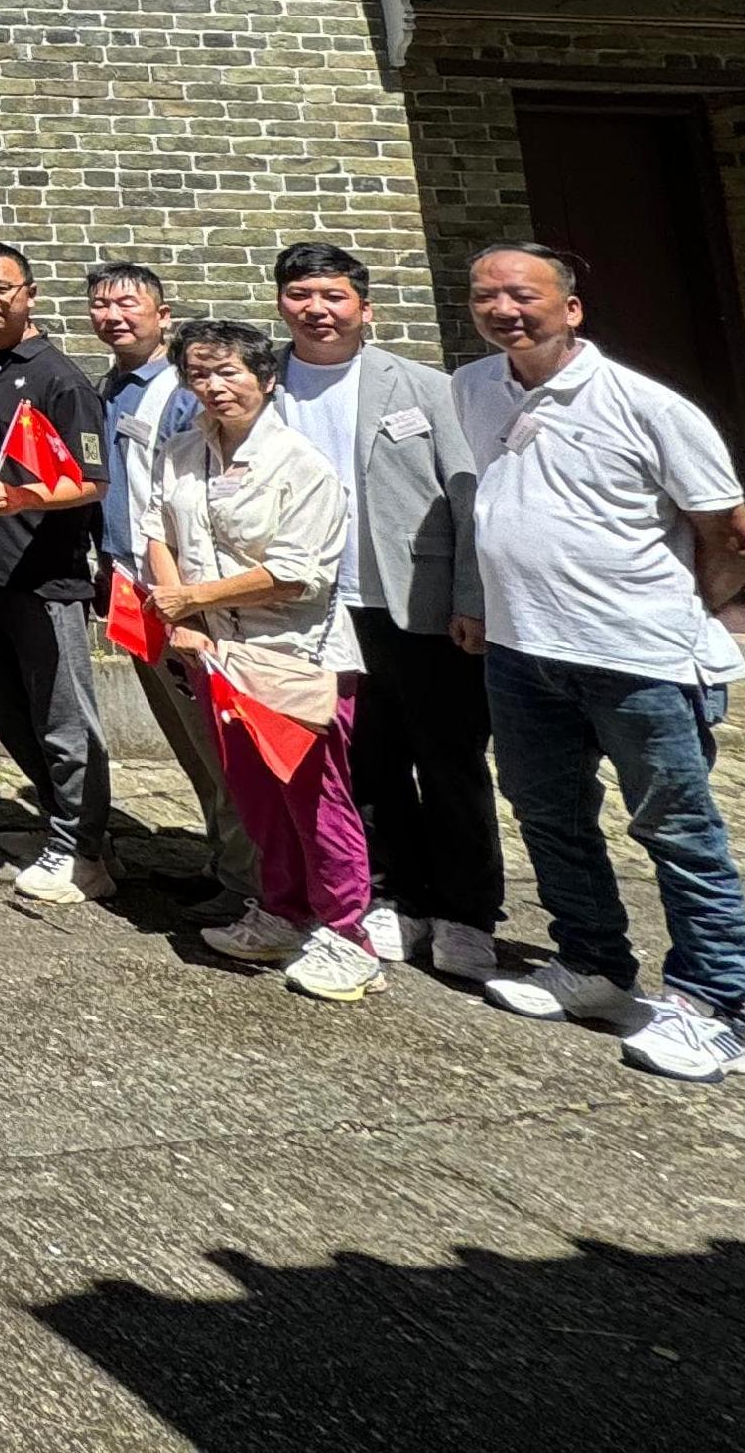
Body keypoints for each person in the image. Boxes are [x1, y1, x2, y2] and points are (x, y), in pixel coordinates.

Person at [458, 243, 745, 1085]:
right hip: (523, 652)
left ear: (571, 309)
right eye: (485, 297)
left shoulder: (647, 405)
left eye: (522, 295)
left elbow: (732, 536)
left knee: (678, 831)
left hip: (640, 660)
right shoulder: (473, 388)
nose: (502, 311)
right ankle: (591, 966)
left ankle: (715, 1008)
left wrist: (680, 615)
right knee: (547, 813)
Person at [269, 240, 495, 983]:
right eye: (302, 295)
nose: (317, 309)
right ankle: (398, 894)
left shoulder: (424, 386)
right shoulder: (266, 384)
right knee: (367, 763)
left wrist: (471, 598)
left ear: (364, 307)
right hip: (318, 609)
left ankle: (468, 911)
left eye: (333, 296)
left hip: (417, 606)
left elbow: (466, 499)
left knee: (450, 759)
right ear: (282, 304)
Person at [146, 316, 378, 1004]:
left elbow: (294, 572)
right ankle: (281, 912)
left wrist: (188, 599)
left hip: (290, 654)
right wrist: (180, 614)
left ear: (266, 379)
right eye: (199, 375)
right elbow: (159, 527)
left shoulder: (301, 464)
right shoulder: (183, 450)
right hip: (214, 650)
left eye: (228, 373)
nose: (214, 387)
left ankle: (348, 934)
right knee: (254, 794)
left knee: (315, 799)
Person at [0, 241, 115, 906]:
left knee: (64, 718)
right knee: (8, 708)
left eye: (0, 287)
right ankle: (56, 824)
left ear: (29, 294)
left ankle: (87, 851)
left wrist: (27, 498)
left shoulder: (59, 378)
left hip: (43, 575)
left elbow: (92, 482)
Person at [87, 260, 258, 917]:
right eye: (102, 305)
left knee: (216, 738)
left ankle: (253, 887)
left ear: (162, 315)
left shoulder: (183, 391)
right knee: (185, 739)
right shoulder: (113, 387)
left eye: (128, 304)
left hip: (185, 594)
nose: (113, 315)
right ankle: (226, 863)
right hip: (132, 587)